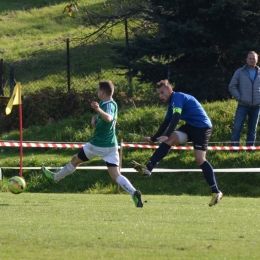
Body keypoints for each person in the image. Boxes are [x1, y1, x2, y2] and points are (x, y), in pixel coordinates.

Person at [41, 80, 143, 208]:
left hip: (98, 145)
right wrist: (95, 118)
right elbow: (102, 118)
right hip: (111, 146)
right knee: (116, 175)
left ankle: (54, 178)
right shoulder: (107, 103)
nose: (97, 92)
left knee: (75, 160)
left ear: (103, 92)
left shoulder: (109, 105)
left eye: (98, 90)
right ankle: (134, 193)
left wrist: (98, 110)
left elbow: (109, 118)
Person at [131, 79, 223, 207]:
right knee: (171, 139)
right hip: (190, 126)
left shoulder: (177, 97)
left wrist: (166, 135)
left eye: (162, 92)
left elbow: (176, 117)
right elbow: (166, 123)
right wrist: (153, 138)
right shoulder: (171, 104)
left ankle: (216, 192)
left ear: (170, 90)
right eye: (158, 94)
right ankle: (148, 168)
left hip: (202, 127)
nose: (160, 96)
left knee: (199, 159)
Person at [229, 51, 260, 148]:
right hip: (243, 105)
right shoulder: (239, 72)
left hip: (256, 106)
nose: (252, 60)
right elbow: (232, 86)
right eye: (250, 58)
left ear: (257, 60)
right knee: (237, 128)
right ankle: (234, 150)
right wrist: (239, 98)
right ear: (246, 60)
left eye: (254, 58)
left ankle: (250, 150)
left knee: (252, 130)